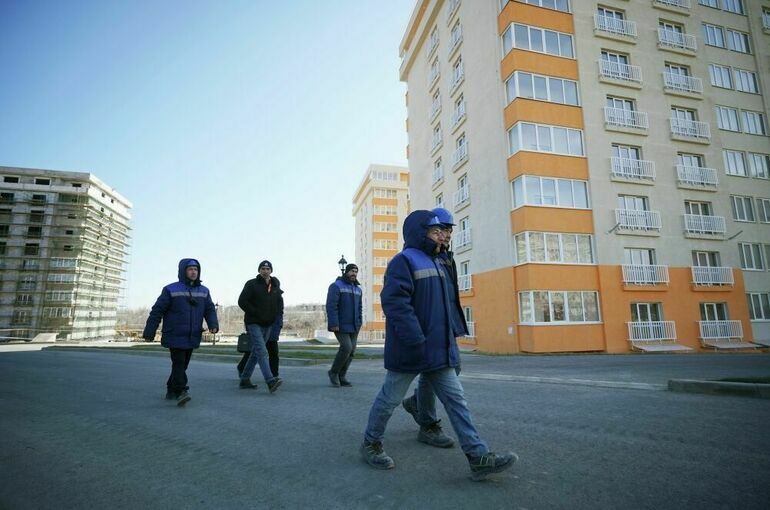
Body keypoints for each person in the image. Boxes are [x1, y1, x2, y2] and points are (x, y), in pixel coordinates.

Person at [360, 210, 516, 481]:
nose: (441, 235)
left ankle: (478, 457)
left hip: (438, 350)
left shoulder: (440, 262)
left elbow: (447, 305)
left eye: (442, 231)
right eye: (435, 232)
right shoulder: (403, 261)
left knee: (457, 401)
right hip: (411, 349)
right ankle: (371, 443)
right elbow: (395, 303)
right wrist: (415, 339)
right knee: (389, 400)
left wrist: (450, 337)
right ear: (420, 233)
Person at [401, 207, 468, 447]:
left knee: (449, 368)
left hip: (446, 322)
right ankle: (427, 424)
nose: (447, 234)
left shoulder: (446, 256)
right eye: (443, 229)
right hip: (429, 325)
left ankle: (417, 403)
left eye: (450, 230)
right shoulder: (422, 255)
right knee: (437, 371)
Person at [142, 258, 219, 407]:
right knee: (179, 363)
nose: (193, 272)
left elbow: (209, 309)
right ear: (183, 271)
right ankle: (181, 391)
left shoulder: (204, 291)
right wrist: (150, 331)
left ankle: (171, 389)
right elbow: (157, 310)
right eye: (190, 269)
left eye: (196, 269)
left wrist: (213, 324)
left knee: (183, 365)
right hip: (174, 334)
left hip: (192, 334)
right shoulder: (170, 289)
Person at [237, 260, 283, 393]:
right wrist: (255, 312)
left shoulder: (275, 286)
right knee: (262, 351)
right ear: (259, 270)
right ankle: (270, 381)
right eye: (262, 269)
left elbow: (279, 303)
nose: (265, 271)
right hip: (254, 323)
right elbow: (242, 301)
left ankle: (245, 379)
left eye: (267, 269)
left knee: (255, 353)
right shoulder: (251, 284)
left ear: (271, 271)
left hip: (268, 324)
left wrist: (274, 316)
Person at [325, 263, 363, 387]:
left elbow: (360, 308)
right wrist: (334, 323)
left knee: (352, 351)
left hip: (354, 326)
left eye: (356, 272)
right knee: (346, 348)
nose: (354, 274)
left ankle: (342, 376)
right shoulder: (336, 286)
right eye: (352, 271)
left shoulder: (358, 289)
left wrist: (360, 322)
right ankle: (333, 372)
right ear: (346, 272)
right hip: (340, 325)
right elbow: (331, 306)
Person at [237, 301, 283, 378]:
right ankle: (242, 368)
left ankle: (274, 375)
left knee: (273, 352)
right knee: (253, 350)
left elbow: (279, 314)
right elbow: (248, 309)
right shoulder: (257, 295)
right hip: (259, 326)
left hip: (273, 327)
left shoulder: (277, 296)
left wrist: (278, 327)